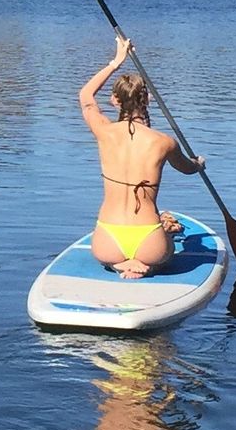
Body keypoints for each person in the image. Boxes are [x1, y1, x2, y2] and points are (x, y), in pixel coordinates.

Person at [79, 36, 205, 279]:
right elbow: (188, 168)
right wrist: (199, 164)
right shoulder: (164, 142)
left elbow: (85, 96)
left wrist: (116, 62)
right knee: (169, 245)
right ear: (147, 100)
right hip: (150, 242)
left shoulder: (103, 132)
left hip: (107, 241)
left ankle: (118, 265)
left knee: (113, 257)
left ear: (115, 100)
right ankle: (147, 265)